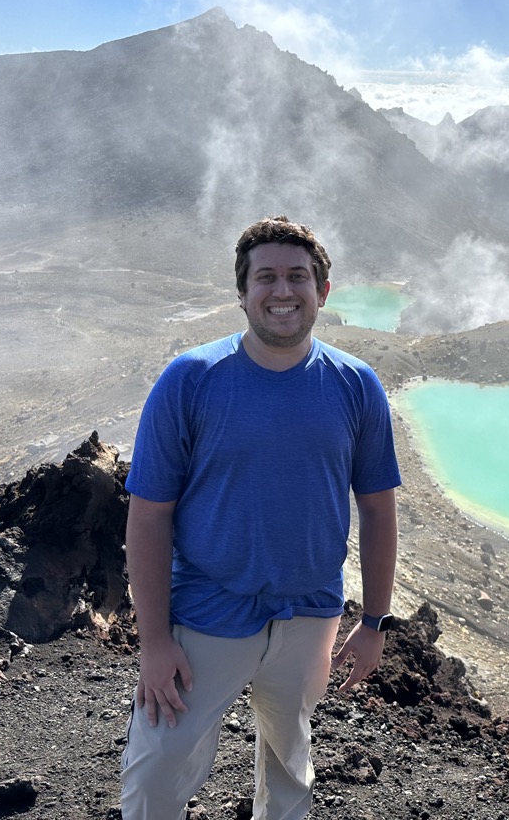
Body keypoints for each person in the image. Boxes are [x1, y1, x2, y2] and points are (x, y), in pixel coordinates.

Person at [120, 215, 400, 820]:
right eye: (265, 277)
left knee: (289, 761)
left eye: (297, 276)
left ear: (322, 291)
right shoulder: (190, 381)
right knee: (158, 770)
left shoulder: (355, 386)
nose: (282, 291)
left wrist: (374, 621)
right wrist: (155, 640)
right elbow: (148, 517)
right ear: (242, 292)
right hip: (205, 615)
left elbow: (378, 509)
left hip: (309, 614)